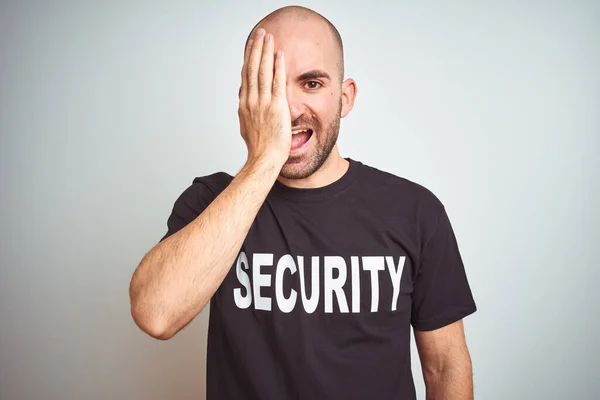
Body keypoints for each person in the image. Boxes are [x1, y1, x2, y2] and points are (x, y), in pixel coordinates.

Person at [129, 5, 477, 400]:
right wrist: (263, 160)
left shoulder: (416, 211)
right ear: (248, 99)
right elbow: (155, 315)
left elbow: (445, 365)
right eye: (272, 86)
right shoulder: (211, 201)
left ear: (345, 98)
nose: (290, 110)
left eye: (311, 84)